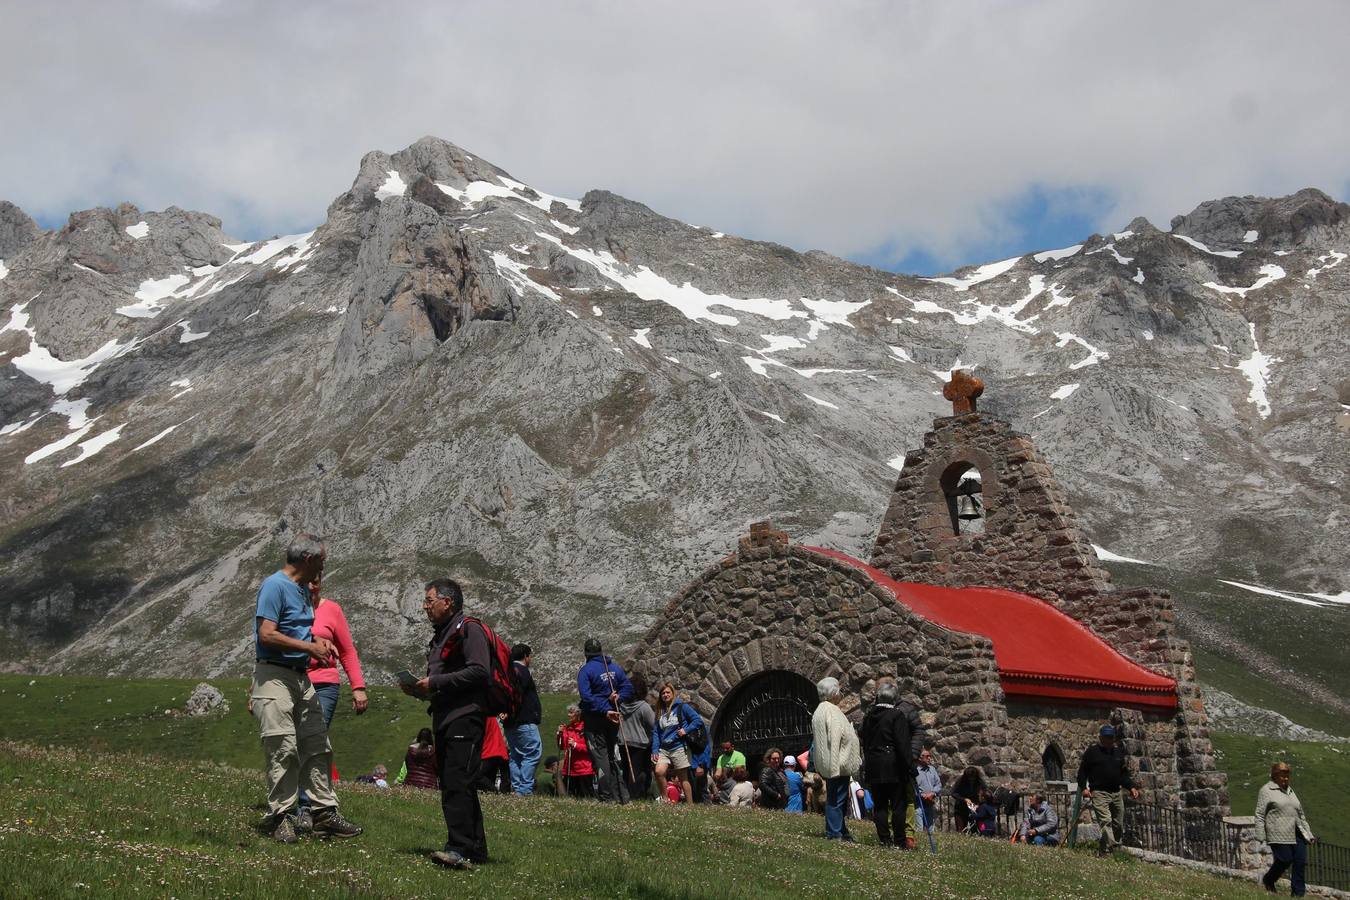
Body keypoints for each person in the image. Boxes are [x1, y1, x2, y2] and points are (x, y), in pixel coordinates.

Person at [249, 534, 362, 843]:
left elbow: (297, 632)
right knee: (283, 746)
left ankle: (324, 813)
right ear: (309, 560)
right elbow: (266, 634)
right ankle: (281, 816)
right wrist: (307, 648)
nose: (322, 570)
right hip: (275, 676)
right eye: (321, 562)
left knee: (316, 743)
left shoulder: (300, 591)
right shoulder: (274, 586)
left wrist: (316, 644)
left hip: (301, 677)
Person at [400, 577, 491, 869]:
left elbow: (479, 671)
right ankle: (474, 847)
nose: (425, 607)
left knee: (456, 783)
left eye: (429, 600)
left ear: (447, 602)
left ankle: (458, 848)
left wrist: (435, 681)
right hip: (445, 716)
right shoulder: (441, 635)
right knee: (458, 783)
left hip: (465, 718)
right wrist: (420, 689)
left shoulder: (470, 629)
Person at [296, 575, 369, 831]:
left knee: (313, 740)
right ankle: (296, 803)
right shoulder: (291, 607)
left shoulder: (332, 610)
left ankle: (307, 807)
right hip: (295, 680)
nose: (312, 587)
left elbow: (348, 651)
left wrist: (358, 687)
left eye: (316, 581)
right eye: (307, 582)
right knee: (292, 742)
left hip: (325, 683)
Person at [577, 638, 634, 803]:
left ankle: (606, 797)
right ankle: (622, 796)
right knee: (612, 755)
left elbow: (586, 697)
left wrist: (604, 709)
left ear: (586, 653)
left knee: (600, 756)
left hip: (596, 718)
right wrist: (617, 698)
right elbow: (628, 688)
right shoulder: (614, 668)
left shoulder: (586, 671)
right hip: (613, 718)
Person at [861, 680, 916, 848]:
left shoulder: (869, 715)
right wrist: (910, 765)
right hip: (893, 765)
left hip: (874, 764)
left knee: (880, 805)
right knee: (899, 804)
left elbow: (864, 737)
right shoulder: (897, 715)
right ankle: (900, 840)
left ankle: (884, 839)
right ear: (894, 698)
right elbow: (902, 744)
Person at [811, 676, 861, 841]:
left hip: (835, 763)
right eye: (838, 690)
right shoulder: (831, 710)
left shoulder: (821, 710)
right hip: (838, 762)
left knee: (838, 798)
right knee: (836, 799)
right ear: (833, 692)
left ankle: (840, 830)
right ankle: (834, 833)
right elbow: (834, 737)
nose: (840, 693)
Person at [1076, 724, 1139, 856]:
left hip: (1116, 792)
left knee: (1118, 824)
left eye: (1111, 737)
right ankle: (1115, 848)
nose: (1109, 740)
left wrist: (1131, 787)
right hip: (1099, 792)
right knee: (1106, 821)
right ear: (1101, 738)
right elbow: (1082, 772)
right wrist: (1083, 788)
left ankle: (1103, 851)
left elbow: (1123, 774)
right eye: (1107, 737)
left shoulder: (1118, 753)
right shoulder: (1092, 752)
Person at [1256, 761, 1317, 896]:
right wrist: (1260, 834)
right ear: (1275, 776)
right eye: (1282, 776)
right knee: (1284, 859)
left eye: (1287, 776)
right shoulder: (1266, 790)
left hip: (1297, 832)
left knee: (1300, 862)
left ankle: (1298, 894)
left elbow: (1301, 815)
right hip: (1278, 832)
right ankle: (1269, 879)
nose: (1285, 779)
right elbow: (1260, 814)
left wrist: (1309, 834)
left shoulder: (1290, 791)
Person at [650, 682, 701, 805]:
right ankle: (665, 799)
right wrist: (655, 750)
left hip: (678, 746)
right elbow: (656, 732)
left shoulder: (682, 707)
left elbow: (697, 720)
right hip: (664, 748)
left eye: (668, 692)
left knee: (683, 778)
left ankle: (690, 805)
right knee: (659, 772)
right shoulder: (659, 712)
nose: (665, 695)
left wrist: (686, 730)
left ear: (673, 694)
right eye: (663, 693)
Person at [504, 643, 542, 796]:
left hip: (510, 722)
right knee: (532, 753)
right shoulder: (522, 671)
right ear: (526, 656)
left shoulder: (506, 671)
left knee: (515, 755)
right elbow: (518, 694)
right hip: (524, 720)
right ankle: (525, 789)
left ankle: (517, 786)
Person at [617, 673, 656, 802]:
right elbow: (653, 725)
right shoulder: (644, 707)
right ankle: (635, 796)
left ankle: (625, 795)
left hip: (624, 743)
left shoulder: (620, 706)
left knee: (627, 771)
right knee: (638, 772)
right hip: (640, 744)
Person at [557, 704, 595, 798]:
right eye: (568, 712)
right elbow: (562, 746)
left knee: (585, 796)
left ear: (578, 714)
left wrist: (575, 745)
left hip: (584, 769)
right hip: (570, 768)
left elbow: (591, 748)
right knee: (572, 796)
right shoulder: (567, 728)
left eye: (571, 713)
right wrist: (560, 735)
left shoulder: (586, 728)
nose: (569, 715)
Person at [914, 747, 942, 840]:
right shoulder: (915, 771)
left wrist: (933, 793)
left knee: (931, 830)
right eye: (927, 756)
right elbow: (913, 788)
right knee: (919, 829)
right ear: (920, 758)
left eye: (930, 756)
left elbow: (938, 784)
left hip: (930, 803)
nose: (929, 758)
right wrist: (922, 795)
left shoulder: (932, 769)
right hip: (918, 804)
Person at [479, 716, 510, 793]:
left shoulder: (483, 716)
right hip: (500, 751)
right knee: (496, 779)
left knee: (474, 774)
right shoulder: (491, 716)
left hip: (490, 752)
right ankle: (498, 792)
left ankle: (495, 791)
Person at [952, 766, 984, 834]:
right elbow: (953, 793)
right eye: (969, 778)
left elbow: (985, 793)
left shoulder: (979, 782)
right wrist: (964, 799)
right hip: (960, 809)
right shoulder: (960, 781)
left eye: (973, 778)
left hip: (974, 809)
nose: (971, 779)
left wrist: (978, 804)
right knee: (961, 830)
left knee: (974, 830)